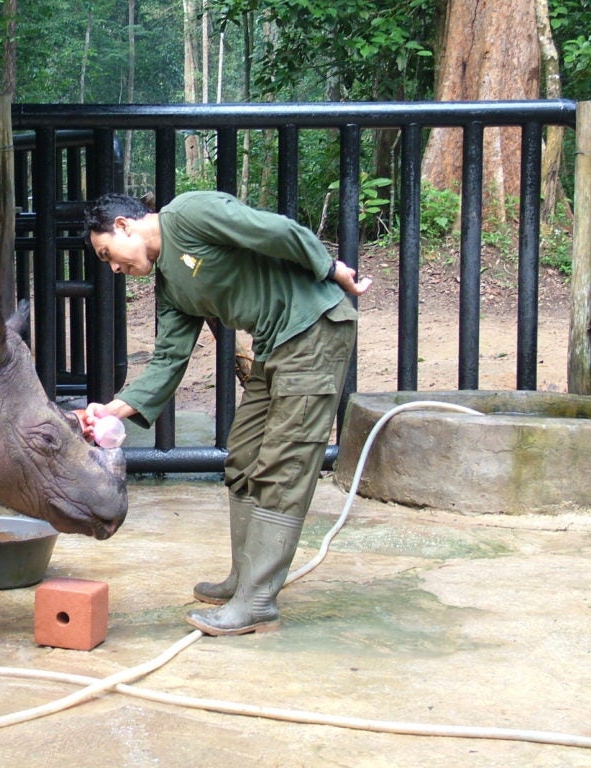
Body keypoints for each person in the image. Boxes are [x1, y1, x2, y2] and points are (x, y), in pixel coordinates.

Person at [80, 190, 372, 636]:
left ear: (123, 225)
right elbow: (167, 361)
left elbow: (275, 231)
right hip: (274, 346)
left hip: (313, 328)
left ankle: (256, 602)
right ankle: (244, 579)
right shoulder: (170, 286)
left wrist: (330, 268)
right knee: (244, 457)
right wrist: (112, 410)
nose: (114, 269)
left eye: (108, 255)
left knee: (284, 465)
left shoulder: (189, 214)